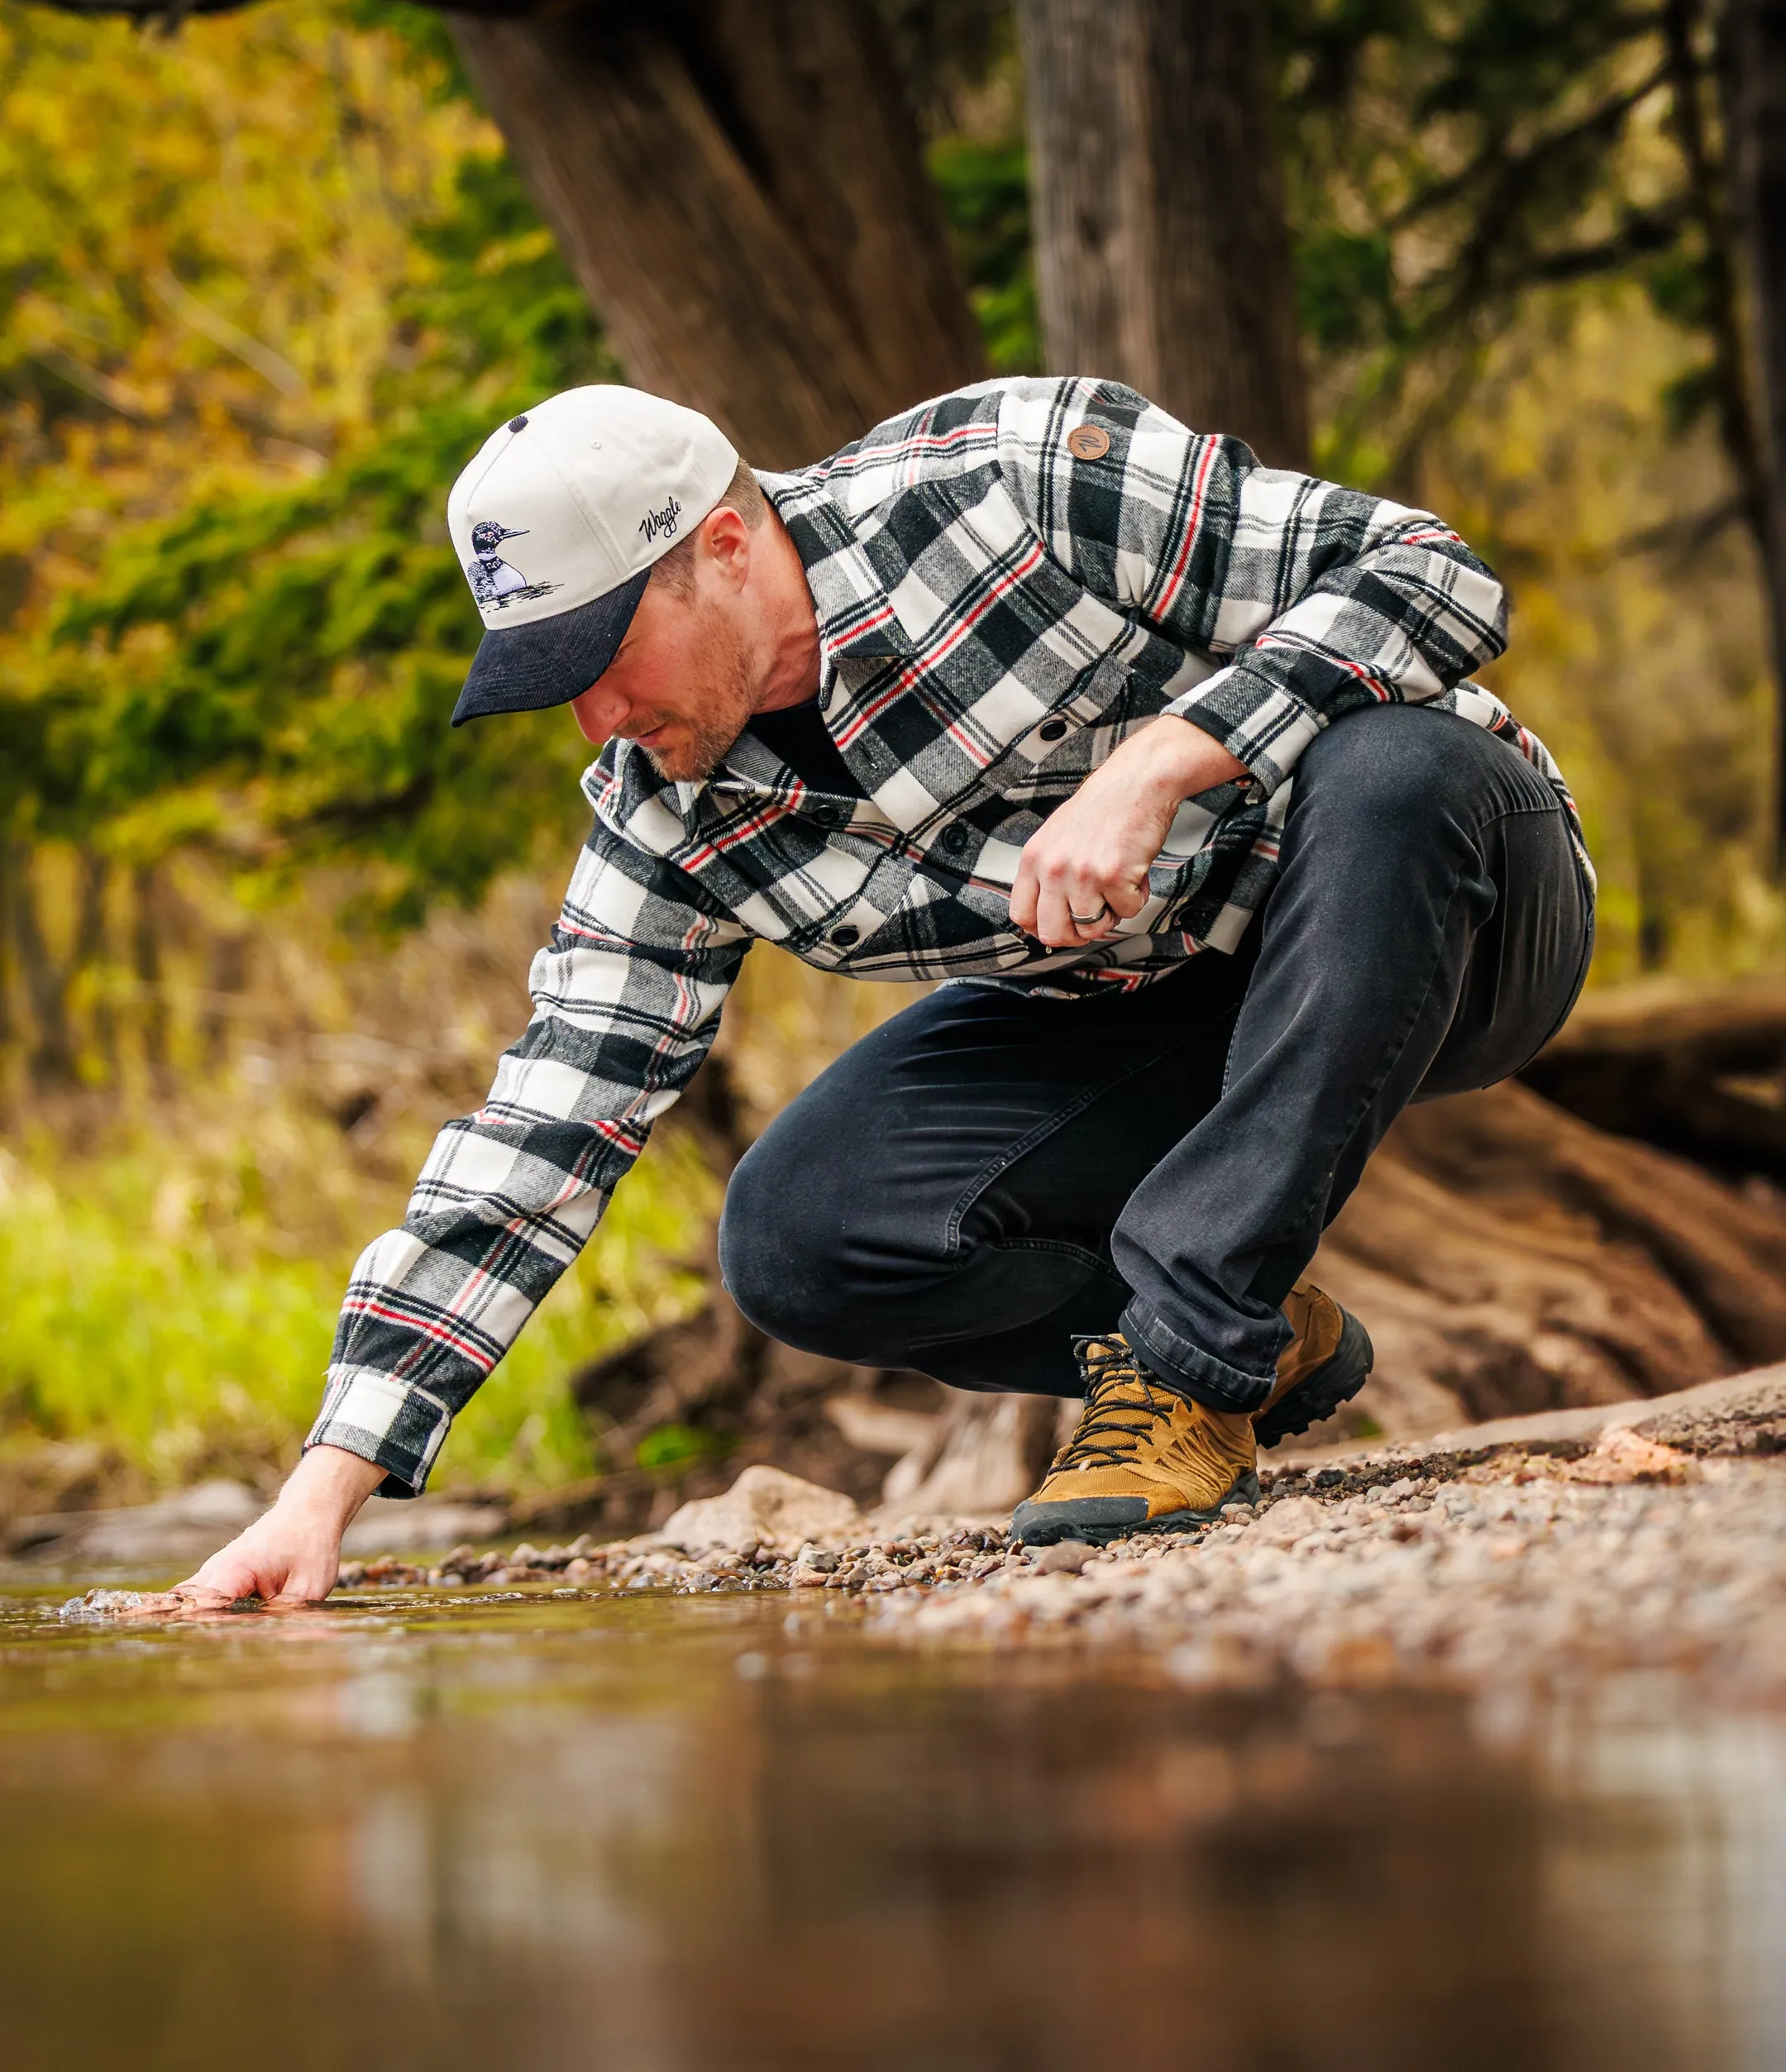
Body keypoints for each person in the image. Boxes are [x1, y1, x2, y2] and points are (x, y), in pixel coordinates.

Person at [174, 376, 1593, 1602]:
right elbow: (541, 1128)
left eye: (603, 660)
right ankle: (1245, 1336)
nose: (594, 718)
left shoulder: (1013, 482)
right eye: (554, 681)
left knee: (1394, 769)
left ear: (723, 548)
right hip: (1159, 1005)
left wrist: (1165, 758)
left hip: (1459, 908)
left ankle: (1189, 1356)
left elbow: (1432, 574)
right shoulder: (669, 809)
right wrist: (320, 1493)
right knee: (800, 1239)